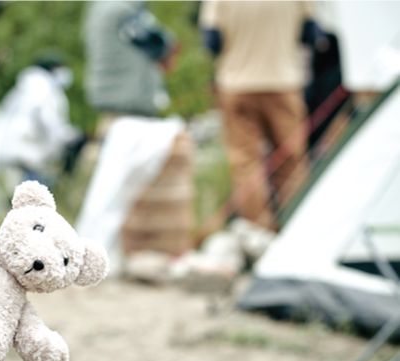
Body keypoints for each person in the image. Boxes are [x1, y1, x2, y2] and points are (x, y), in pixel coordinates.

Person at [199, 0, 321, 231]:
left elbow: (212, 41)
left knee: (246, 163)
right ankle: (295, 227)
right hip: (283, 83)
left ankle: (258, 231)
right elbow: (312, 34)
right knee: (291, 161)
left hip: (236, 86)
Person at [0, 52, 85, 193]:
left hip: (13, 148)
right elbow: (50, 123)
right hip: (26, 151)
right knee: (29, 198)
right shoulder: (44, 90)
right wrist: (68, 136)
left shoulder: (27, 87)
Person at [83, 0, 179, 135]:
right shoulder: (123, 10)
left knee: (107, 140)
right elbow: (153, 42)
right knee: (124, 146)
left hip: (111, 93)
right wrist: (168, 42)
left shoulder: (101, 6)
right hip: (128, 96)